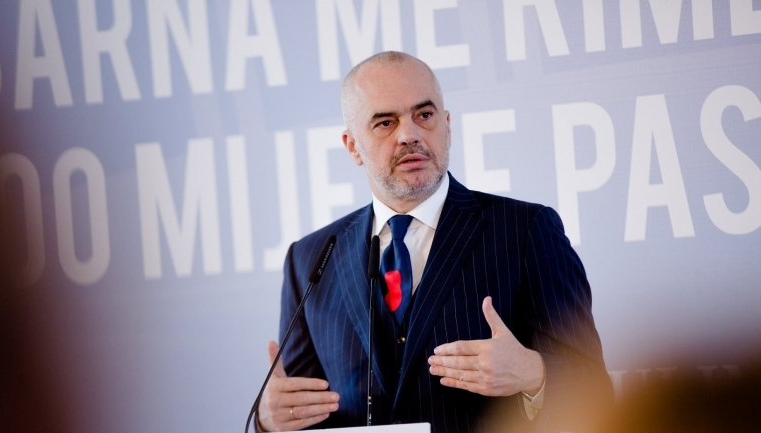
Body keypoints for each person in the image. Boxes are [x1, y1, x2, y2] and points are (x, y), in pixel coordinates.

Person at [256, 51, 612, 433]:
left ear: (447, 126)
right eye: (386, 123)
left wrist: (534, 374)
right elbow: (299, 414)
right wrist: (269, 420)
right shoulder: (309, 259)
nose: (409, 135)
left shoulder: (525, 231)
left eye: (424, 115)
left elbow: (595, 392)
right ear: (353, 146)